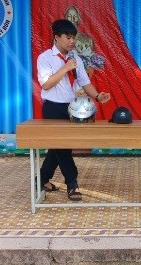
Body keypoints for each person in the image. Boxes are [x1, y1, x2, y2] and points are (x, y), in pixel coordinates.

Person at [37, 19, 111, 201]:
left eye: (74, 38)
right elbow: (46, 84)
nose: (72, 42)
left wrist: (97, 96)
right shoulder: (45, 58)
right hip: (53, 108)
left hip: (71, 108)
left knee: (58, 147)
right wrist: (65, 68)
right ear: (56, 37)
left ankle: (41, 180)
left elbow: (85, 82)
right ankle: (72, 183)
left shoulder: (75, 58)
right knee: (62, 148)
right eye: (68, 37)